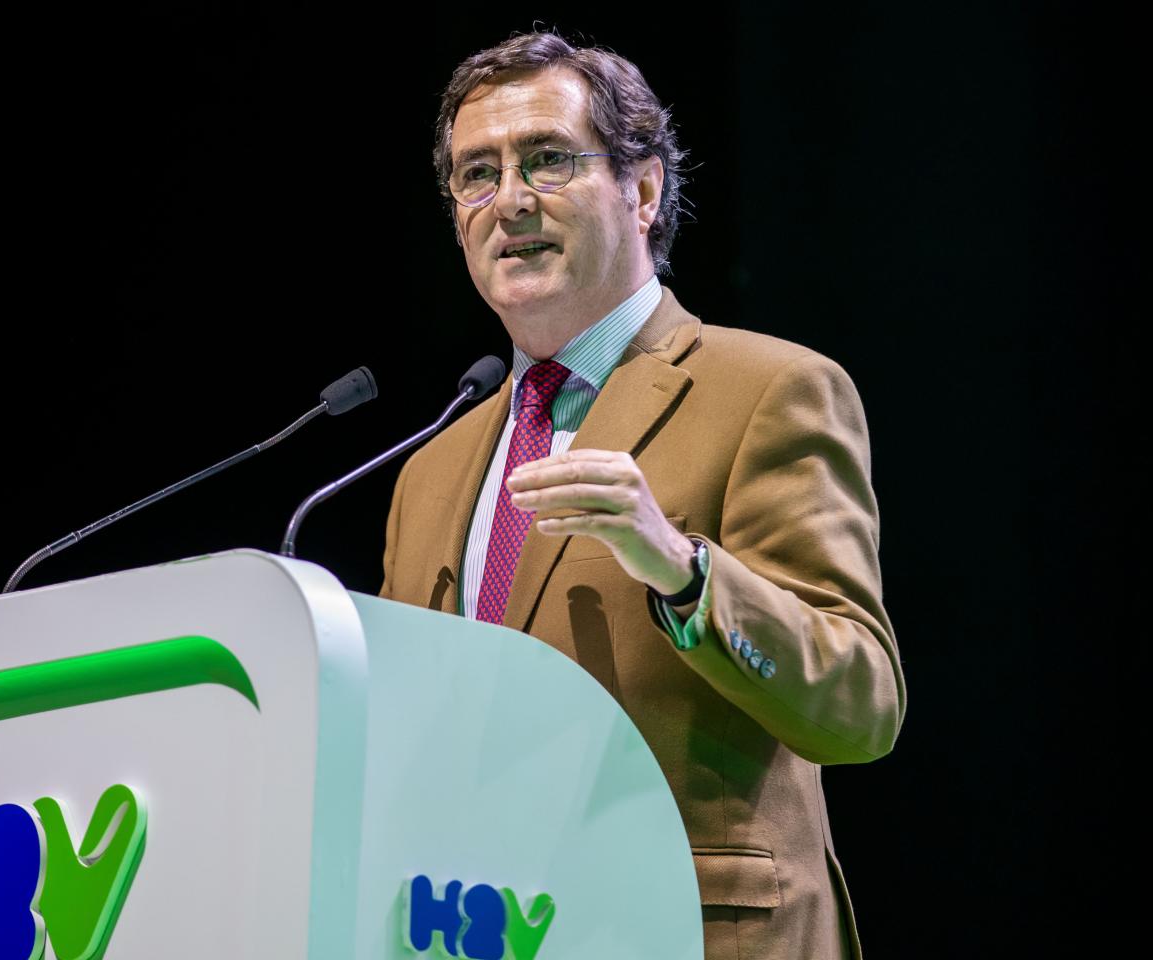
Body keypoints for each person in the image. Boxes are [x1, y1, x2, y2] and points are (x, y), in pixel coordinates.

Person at [379, 31, 906, 960]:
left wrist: (687, 572)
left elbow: (860, 705)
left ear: (645, 188)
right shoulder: (433, 464)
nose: (510, 201)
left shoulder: (769, 390)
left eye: (547, 160)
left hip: (689, 928)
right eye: (477, 174)